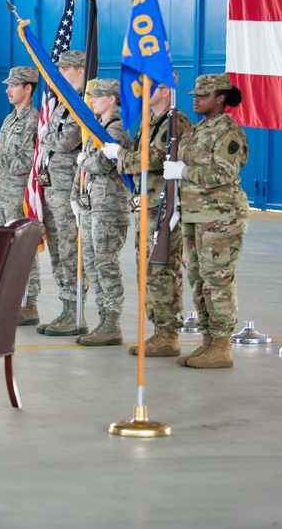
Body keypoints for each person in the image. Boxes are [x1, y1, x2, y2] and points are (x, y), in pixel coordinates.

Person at [163, 73, 248, 369]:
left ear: (221, 97)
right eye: (195, 95)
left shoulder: (228, 132)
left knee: (218, 280)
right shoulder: (196, 131)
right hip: (195, 215)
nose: (196, 99)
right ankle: (208, 341)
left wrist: (183, 172)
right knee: (198, 280)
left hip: (221, 218)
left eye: (203, 95)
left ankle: (223, 346)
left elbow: (224, 174)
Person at [103, 79, 193, 356]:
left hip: (167, 207)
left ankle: (168, 334)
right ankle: (159, 331)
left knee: (162, 270)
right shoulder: (150, 122)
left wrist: (120, 154)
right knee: (148, 271)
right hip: (148, 205)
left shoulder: (175, 122)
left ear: (165, 90)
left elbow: (154, 158)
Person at [0, 66, 41, 326]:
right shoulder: (8, 120)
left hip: (19, 198)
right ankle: (10, 300)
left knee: (23, 252)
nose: (8, 90)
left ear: (28, 88)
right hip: (2, 197)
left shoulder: (34, 121)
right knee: (3, 251)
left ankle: (29, 304)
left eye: (13, 85)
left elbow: (26, 162)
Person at [71, 78, 131, 345]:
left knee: (106, 263)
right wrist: (76, 196)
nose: (92, 100)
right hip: (92, 205)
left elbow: (104, 163)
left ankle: (113, 322)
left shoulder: (116, 129)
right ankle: (103, 317)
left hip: (109, 207)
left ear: (112, 99)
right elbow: (86, 167)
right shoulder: (97, 128)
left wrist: (85, 160)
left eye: (98, 96)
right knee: (92, 264)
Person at [36, 49, 89, 336]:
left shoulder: (84, 102)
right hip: (52, 188)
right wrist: (47, 137)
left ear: (79, 70)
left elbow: (67, 140)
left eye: (65, 69)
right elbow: (49, 138)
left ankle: (76, 312)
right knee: (57, 252)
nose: (59, 74)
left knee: (71, 251)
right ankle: (66, 309)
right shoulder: (61, 104)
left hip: (69, 190)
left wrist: (45, 135)